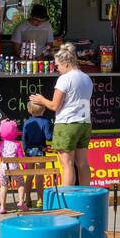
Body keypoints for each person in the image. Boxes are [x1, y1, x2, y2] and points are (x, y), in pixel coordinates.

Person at [27, 43, 92, 186]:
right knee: (82, 163)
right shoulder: (86, 78)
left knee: (67, 164)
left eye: (57, 66)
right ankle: (86, 194)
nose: (57, 69)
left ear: (66, 63)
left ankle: (67, 199)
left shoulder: (65, 79)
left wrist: (41, 100)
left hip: (67, 124)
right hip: (85, 123)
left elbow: (54, 106)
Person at [0, 119, 26, 214]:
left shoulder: (0, 145)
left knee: (3, 186)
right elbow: (21, 158)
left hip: (3, 168)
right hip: (14, 167)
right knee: (21, 183)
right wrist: (25, 167)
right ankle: (21, 202)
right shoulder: (17, 144)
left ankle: (2, 206)